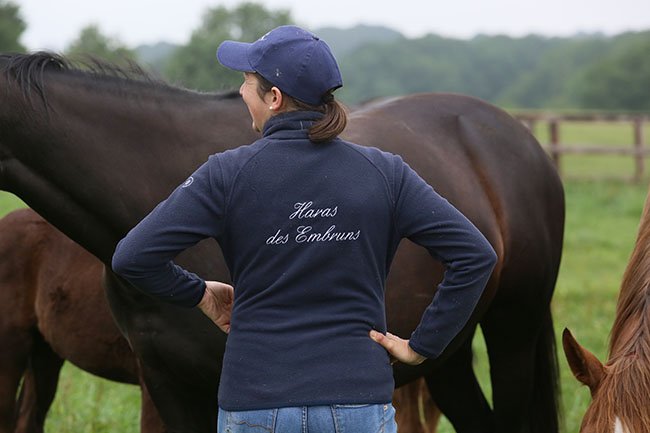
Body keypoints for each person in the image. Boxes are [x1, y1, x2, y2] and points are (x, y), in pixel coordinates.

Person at [112, 25, 497, 433]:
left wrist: (201, 295)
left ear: (274, 98)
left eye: (247, 81)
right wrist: (423, 346)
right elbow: (475, 255)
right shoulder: (385, 172)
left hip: (255, 403)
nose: (241, 91)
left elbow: (133, 257)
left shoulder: (225, 174)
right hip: (358, 402)